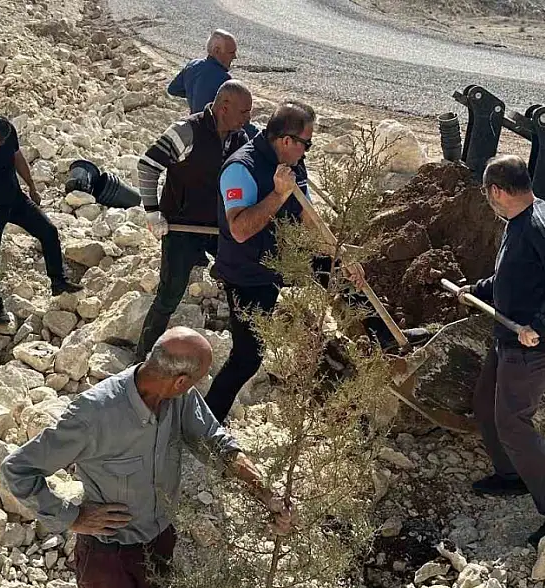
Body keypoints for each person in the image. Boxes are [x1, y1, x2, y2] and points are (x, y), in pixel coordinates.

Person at [1, 326, 293, 588]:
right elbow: (18, 468)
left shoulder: (181, 398)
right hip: (109, 558)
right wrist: (71, 517)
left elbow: (217, 444)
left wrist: (264, 492)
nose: (200, 384)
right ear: (180, 380)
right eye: (200, 377)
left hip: (160, 543)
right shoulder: (94, 414)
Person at [203, 101, 427, 424]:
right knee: (247, 358)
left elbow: (308, 219)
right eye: (306, 143)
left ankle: (386, 341)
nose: (308, 150)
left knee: (340, 272)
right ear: (286, 141)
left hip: (287, 257)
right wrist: (278, 195)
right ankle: (206, 422)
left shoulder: (293, 163)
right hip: (249, 271)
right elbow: (238, 230)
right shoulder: (241, 169)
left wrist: (339, 254)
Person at [457, 154, 545, 547]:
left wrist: (541, 324)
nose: (489, 202)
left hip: (534, 344)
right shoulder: (523, 220)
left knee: (515, 423)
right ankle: (512, 475)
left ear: (497, 191)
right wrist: (479, 290)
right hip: (509, 335)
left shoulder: (537, 224)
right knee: (486, 402)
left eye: (488, 195)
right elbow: (514, 273)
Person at [133, 80, 254, 361]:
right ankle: (142, 358)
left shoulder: (240, 139)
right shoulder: (186, 131)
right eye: (244, 112)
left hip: (217, 228)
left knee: (241, 277)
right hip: (181, 227)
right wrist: (153, 212)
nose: (249, 119)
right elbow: (148, 166)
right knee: (170, 294)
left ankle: (242, 347)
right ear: (224, 107)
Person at [0, 115, 82, 325]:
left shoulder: (8, 131)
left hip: (14, 198)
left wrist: (31, 185)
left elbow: (18, 158)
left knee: (49, 231)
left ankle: (58, 281)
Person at [168, 29, 259, 140]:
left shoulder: (192, 65)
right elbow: (240, 120)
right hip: (214, 135)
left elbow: (173, 89)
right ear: (217, 51)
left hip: (194, 127)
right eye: (231, 53)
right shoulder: (224, 80)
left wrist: (195, 95)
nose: (235, 57)